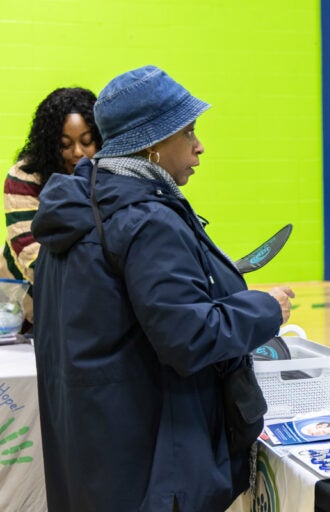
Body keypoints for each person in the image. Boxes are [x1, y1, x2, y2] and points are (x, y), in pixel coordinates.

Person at [31, 65, 294, 511]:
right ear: (151, 144)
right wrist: (265, 309)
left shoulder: (80, 207)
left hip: (94, 459)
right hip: (147, 464)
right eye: (188, 132)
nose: (199, 146)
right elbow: (189, 336)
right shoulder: (145, 220)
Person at [0, 87, 102, 332]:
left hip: (87, 303)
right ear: (49, 145)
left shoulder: (108, 174)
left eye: (87, 142)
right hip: (31, 307)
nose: (78, 153)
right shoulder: (25, 177)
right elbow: (32, 255)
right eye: (65, 145)